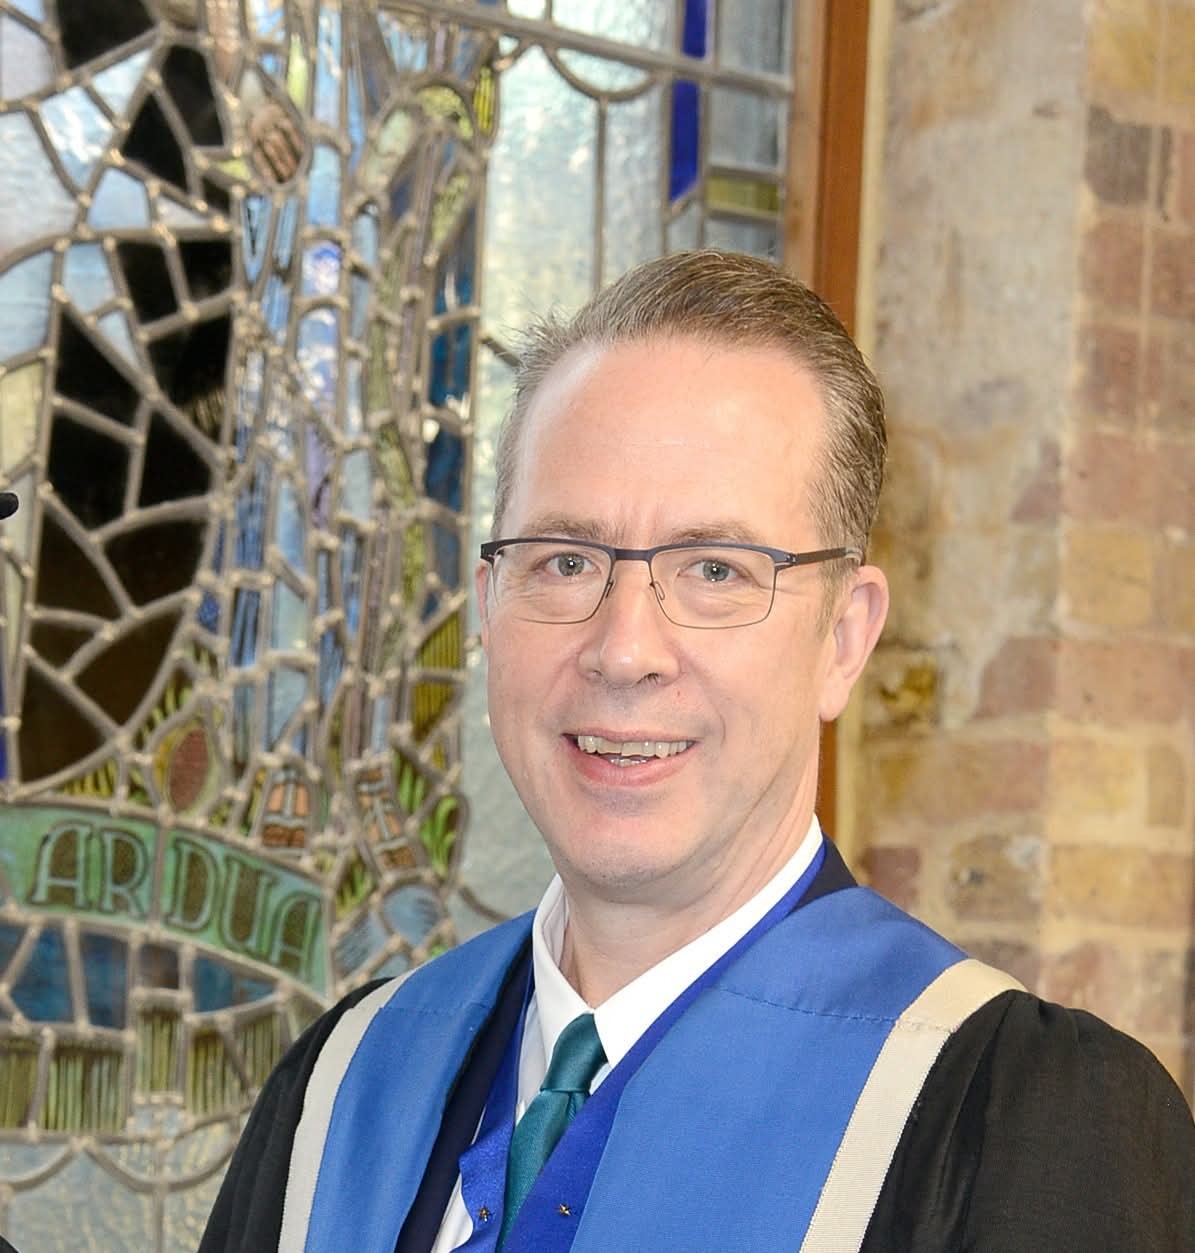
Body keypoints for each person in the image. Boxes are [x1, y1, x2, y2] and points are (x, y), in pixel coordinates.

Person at [200, 251, 1194, 1253]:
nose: (624, 649)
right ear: (489, 607)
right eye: (565, 560)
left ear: (843, 639)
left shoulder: (1018, 1125)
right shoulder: (339, 1094)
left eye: (715, 569)